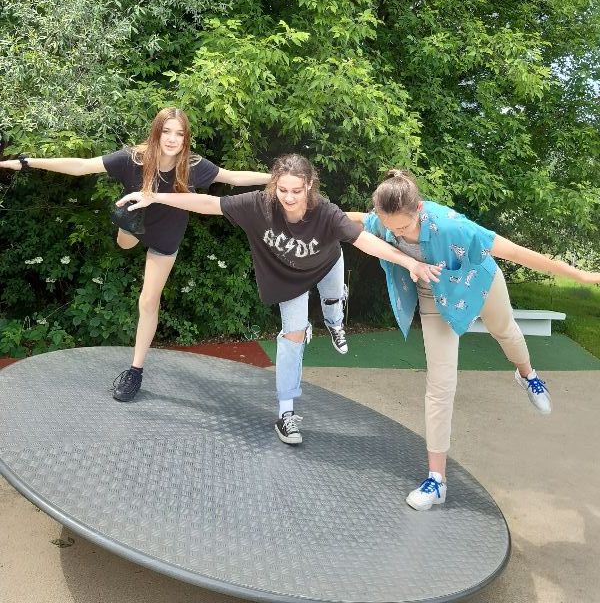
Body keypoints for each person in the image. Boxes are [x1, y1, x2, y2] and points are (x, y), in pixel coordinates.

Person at [116, 154, 443, 445]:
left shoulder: (325, 212)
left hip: (327, 262)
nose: (289, 197)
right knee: (292, 335)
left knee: (332, 299)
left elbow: (365, 241)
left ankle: (334, 322)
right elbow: (207, 203)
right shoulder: (259, 205)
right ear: (275, 185)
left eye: (296, 191)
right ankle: (286, 413)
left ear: (309, 185)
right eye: (283, 190)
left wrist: (410, 262)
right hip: (290, 281)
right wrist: (153, 196)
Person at [346, 170, 600, 511]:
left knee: (506, 331)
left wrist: (581, 275)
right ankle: (437, 480)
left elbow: (516, 252)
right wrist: (309, 211)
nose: (398, 234)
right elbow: (353, 220)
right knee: (440, 384)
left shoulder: (452, 226)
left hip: (478, 283)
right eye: (392, 229)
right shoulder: (384, 221)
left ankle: (528, 375)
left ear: (419, 208)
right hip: (435, 295)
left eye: (403, 227)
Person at [0, 107, 271, 401]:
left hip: (166, 234)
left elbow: (233, 177)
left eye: (179, 134)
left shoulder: (193, 165)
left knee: (148, 300)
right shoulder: (134, 159)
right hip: (134, 225)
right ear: (156, 133)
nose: (172, 139)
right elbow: (81, 166)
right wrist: (26, 162)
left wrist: (277, 179)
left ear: (186, 138)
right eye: (166, 131)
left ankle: (135, 371)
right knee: (125, 243)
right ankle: (124, 219)